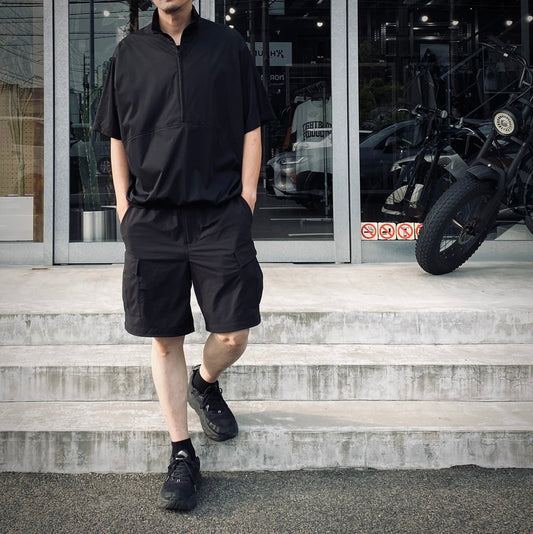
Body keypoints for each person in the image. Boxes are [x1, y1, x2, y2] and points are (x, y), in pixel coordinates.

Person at [93, 0, 274, 511]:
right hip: (152, 220)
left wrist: (247, 199)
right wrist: (125, 208)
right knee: (165, 338)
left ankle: (205, 382)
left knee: (234, 333)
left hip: (220, 215)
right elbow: (116, 136)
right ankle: (181, 453)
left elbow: (253, 127)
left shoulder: (228, 47)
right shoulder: (128, 54)